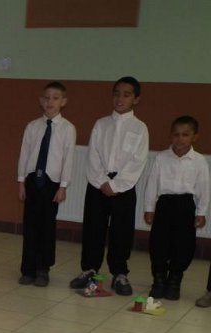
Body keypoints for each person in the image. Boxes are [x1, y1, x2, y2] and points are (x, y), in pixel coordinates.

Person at [70, 76, 149, 296]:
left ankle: (119, 273)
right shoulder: (101, 124)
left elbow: (137, 161)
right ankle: (89, 269)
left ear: (136, 99)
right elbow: (93, 154)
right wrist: (102, 181)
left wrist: (116, 185)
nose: (120, 99)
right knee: (93, 227)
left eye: (126, 95)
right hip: (98, 184)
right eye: (116, 94)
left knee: (121, 231)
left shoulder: (140, 128)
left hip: (124, 186)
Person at [17, 81, 76, 287]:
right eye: (47, 98)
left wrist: (63, 186)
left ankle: (43, 269)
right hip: (33, 180)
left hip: (52, 183)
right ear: (41, 101)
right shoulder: (32, 126)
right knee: (30, 225)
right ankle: (28, 269)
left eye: (55, 98)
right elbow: (24, 154)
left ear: (63, 102)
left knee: (47, 227)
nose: (50, 102)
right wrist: (21, 181)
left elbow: (68, 158)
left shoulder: (68, 129)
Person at [143, 116, 209, 301]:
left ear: (195, 137)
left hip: (186, 205)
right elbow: (152, 183)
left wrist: (201, 212)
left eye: (185, 135)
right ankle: (159, 279)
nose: (180, 139)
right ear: (171, 135)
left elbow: (204, 188)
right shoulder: (162, 157)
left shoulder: (199, 161)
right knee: (159, 243)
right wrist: (149, 208)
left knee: (183, 245)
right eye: (176, 135)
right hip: (164, 204)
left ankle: (174, 279)